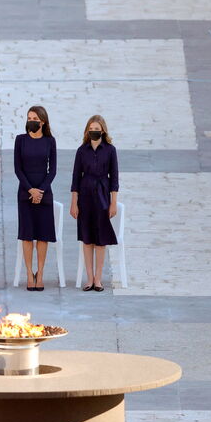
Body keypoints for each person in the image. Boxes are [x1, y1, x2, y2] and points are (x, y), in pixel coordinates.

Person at [70, 115, 119, 292]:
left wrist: (113, 203)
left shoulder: (110, 150)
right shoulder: (81, 151)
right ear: (87, 131)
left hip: (103, 194)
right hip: (85, 195)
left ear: (103, 130)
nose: (94, 132)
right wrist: (74, 202)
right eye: (91, 129)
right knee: (87, 238)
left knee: (100, 239)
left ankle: (98, 278)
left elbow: (114, 178)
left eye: (97, 129)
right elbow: (75, 178)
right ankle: (89, 278)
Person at [14, 106, 57, 291]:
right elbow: (18, 168)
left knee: (42, 235)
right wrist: (31, 190)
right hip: (25, 192)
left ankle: (40, 273)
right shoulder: (20, 140)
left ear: (43, 121)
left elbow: (52, 170)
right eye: (29, 117)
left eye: (35, 118)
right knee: (27, 235)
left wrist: (41, 190)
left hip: (44, 192)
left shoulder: (50, 141)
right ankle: (28, 273)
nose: (31, 120)